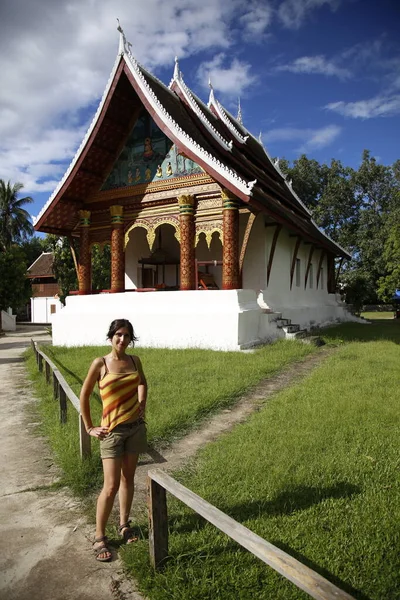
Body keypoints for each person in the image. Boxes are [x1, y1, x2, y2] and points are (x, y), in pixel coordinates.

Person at [80, 319, 148, 562]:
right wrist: (89, 427)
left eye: (127, 335)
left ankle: (124, 525)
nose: (122, 339)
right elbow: (85, 395)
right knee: (110, 486)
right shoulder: (100, 364)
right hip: (111, 433)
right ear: (111, 337)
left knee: (128, 478)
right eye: (118, 334)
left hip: (135, 429)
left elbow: (142, 383)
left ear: (131, 339)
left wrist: (141, 406)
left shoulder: (134, 361)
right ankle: (99, 536)